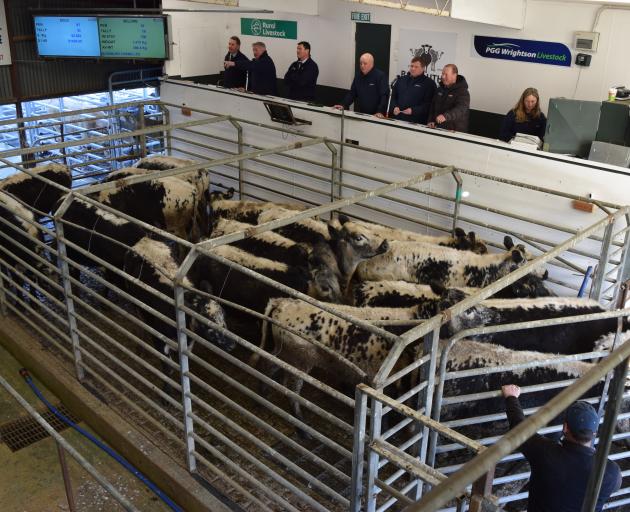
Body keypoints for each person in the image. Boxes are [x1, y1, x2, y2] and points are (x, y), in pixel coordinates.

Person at [502, 384, 621, 512]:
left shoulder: (545, 453)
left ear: (565, 428)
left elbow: (519, 429)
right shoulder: (611, 472)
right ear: (594, 433)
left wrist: (511, 397)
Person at [334, 53, 388, 117]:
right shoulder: (358, 76)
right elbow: (352, 94)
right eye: (360, 63)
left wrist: (380, 111)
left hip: (377, 115)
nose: (362, 66)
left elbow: (384, 96)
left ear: (371, 64)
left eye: (365, 63)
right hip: (363, 114)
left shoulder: (380, 76)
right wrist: (343, 105)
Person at [389, 57, 436, 124]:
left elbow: (429, 105)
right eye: (411, 66)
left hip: (416, 123)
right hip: (396, 120)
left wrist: (413, 111)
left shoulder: (429, 84)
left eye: (416, 67)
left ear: (423, 68)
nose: (413, 68)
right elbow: (392, 97)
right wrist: (394, 107)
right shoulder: (401, 80)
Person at [427, 64, 470, 132]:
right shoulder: (439, 89)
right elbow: (433, 107)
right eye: (442, 74)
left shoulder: (463, 92)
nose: (443, 77)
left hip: (455, 131)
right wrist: (431, 121)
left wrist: (445, 116)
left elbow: (461, 109)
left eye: (446, 74)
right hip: (438, 129)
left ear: (454, 75)